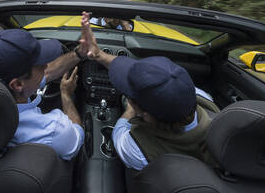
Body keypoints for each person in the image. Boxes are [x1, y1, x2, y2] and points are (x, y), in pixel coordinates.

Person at [80, 11, 218, 170]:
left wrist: (129, 111)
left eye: (130, 97)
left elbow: (120, 130)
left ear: (145, 115)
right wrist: (99, 55)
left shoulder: (137, 150)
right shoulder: (203, 98)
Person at [0, 26, 88, 161]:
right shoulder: (53, 129)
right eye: (40, 64)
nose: (46, 65)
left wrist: (79, 53)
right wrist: (66, 95)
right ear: (17, 85)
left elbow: (47, 73)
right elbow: (77, 137)